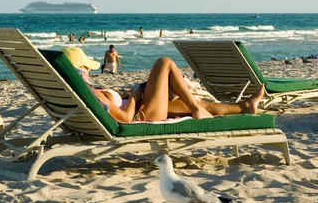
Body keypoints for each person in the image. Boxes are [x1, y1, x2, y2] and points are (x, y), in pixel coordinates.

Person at [64, 48, 264, 124]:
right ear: (81, 69)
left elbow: (115, 109)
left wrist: (126, 97)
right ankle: (196, 110)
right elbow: (125, 118)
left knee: (193, 102)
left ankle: (245, 106)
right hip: (143, 114)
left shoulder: (80, 91)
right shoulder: (91, 94)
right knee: (164, 62)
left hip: (141, 107)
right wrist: (133, 96)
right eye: (86, 67)